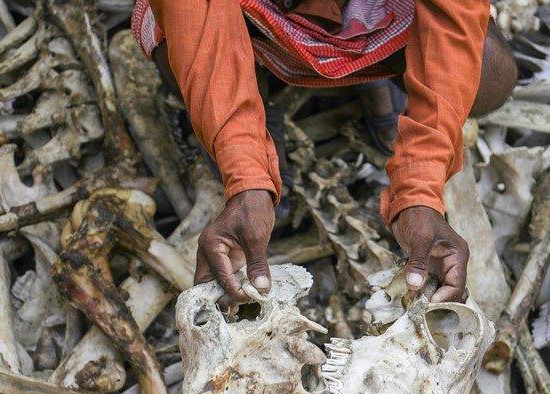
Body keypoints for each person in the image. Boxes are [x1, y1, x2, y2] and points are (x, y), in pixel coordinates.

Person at [131, 0, 517, 304]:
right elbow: (196, 18)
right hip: (259, 13)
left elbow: (452, 22)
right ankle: (255, 114)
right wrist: (245, 175)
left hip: (370, 9)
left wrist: (419, 192)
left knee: (487, 70)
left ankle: (379, 73)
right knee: (177, 45)